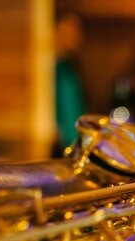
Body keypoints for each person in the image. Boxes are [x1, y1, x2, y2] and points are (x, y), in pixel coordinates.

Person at [54, 11, 86, 151]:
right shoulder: (49, 70)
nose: (77, 35)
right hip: (59, 144)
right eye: (70, 29)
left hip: (74, 142)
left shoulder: (69, 68)